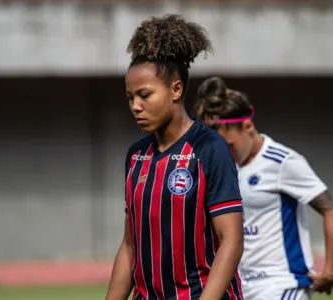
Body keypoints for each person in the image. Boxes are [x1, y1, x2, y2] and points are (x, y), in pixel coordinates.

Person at [106, 15, 244, 300]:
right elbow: (130, 246)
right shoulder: (136, 156)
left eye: (145, 95)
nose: (135, 106)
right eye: (130, 97)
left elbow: (231, 241)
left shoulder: (210, 148)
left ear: (176, 89)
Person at [195, 76, 333, 300]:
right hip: (241, 287)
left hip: (281, 286)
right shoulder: (223, 167)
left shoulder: (282, 162)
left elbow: (329, 208)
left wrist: (330, 270)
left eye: (229, 145)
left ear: (248, 126)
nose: (224, 152)